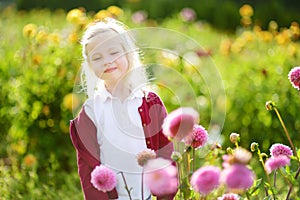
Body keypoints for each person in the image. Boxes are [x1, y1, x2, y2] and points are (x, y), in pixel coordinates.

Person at [69, 18, 176, 200]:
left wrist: (165, 195)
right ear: (89, 64)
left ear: (128, 54)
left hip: (147, 196)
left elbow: (165, 151)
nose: (107, 61)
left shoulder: (150, 102)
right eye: (97, 57)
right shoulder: (91, 112)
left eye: (113, 52)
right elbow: (88, 170)